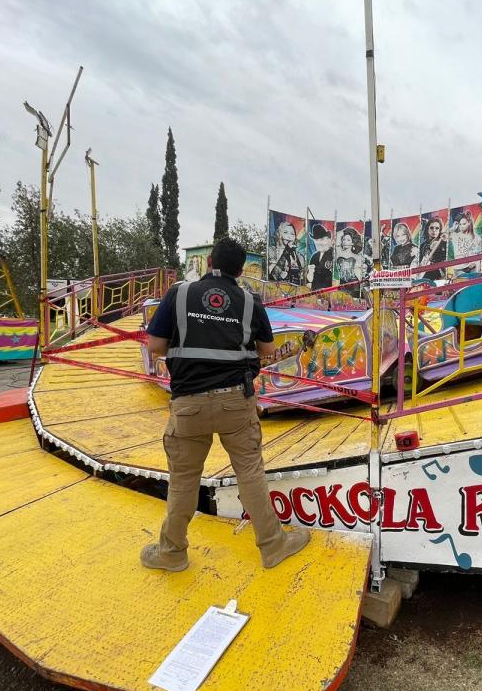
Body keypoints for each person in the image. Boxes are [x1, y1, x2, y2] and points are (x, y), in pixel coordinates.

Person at [141, 238, 310, 572]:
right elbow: (266, 350)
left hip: (188, 403)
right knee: (249, 472)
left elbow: (156, 345)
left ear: (208, 264)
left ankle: (171, 553)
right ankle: (273, 546)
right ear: (240, 270)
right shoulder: (249, 301)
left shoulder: (178, 293)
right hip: (236, 400)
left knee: (184, 480)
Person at [334, 227, 367, 295]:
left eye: (348, 240)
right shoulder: (339, 252)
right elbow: (337, 235)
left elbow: (360, 273)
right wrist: (346, 230)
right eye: (343, 239)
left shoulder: (358, 256)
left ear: (353, 242)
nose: (345, 241)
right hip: (342, 285)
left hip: (355, 286)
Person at [449, 209, 482, 273]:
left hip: (472, 266)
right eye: (460, 224)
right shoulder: (455, 235)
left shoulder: (476, 237)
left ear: (469, 223)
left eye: (464, 224)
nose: (461, 226)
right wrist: (452, 228)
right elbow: (442, 236)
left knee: (474, 281)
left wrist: (475, 262)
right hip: (459, 267)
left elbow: (480, 252)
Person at [306, 224, 334, 290]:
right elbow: (309, 280)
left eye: (321, 239)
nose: (319, 243)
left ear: (328, 240)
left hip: (328, 293)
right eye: (316, 240)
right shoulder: (314, 256)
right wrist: (310, 272)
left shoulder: (333, 254)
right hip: (315, 292)